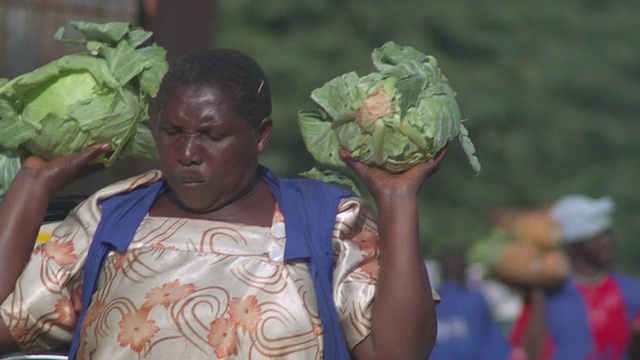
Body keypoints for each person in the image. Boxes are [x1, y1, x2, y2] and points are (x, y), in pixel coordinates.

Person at [0, 49, 443, 359]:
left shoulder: (329, 225)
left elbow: (398, 352)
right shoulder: (110, 217)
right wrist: (33, 185)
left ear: (261, 136)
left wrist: (399, 202)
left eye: (212, 135)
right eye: (172, 132)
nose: (188, 152)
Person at [510, 194, 640, 360]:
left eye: (607, 234)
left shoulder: (630, 290)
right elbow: (531, 354)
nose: (606, 241)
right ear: (573, 244)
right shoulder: (551, 295)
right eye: (596, 236)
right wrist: (537, 296)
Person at [429, 250, 511, 360]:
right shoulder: (476, 299)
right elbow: (494, 341)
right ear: (464, 272)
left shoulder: (431, 300)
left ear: (441, 272)